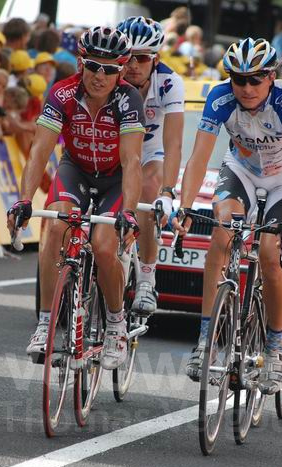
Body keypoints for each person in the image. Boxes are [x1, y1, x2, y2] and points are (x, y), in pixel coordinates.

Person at [171, 38, 282, 394]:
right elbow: (198, 158)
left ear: (272, 77)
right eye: (238, 79)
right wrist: (185, 207)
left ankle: (275, 348)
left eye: (255, 79)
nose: (246, 88)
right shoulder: (220, 98)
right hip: (242, 172)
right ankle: (205, 341)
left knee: (268, 252)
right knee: (222, 233)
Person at [6, 26, 145, 370]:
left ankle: (115, 324)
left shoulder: (129, 100)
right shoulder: (62, 93)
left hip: (114, 179)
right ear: (81, 62)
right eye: (93, 66)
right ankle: (44, 323)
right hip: (76, 170)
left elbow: (132, 161)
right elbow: (39, 151)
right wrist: (23, 200)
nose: (100, 75)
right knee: (55, 229)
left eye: (110, 69)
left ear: (122, 71)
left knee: (102, 246)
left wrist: (127, 212)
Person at [116, 16, 184, 316]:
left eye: (141, 58)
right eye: (127, 56)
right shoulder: (109, 78)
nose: (132, 65)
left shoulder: (170, 82)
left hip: (151, 152)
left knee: (147, 185)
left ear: (154, 59)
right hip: (115, 149)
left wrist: (168, 192)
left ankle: (146, 276)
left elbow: (174, 145)